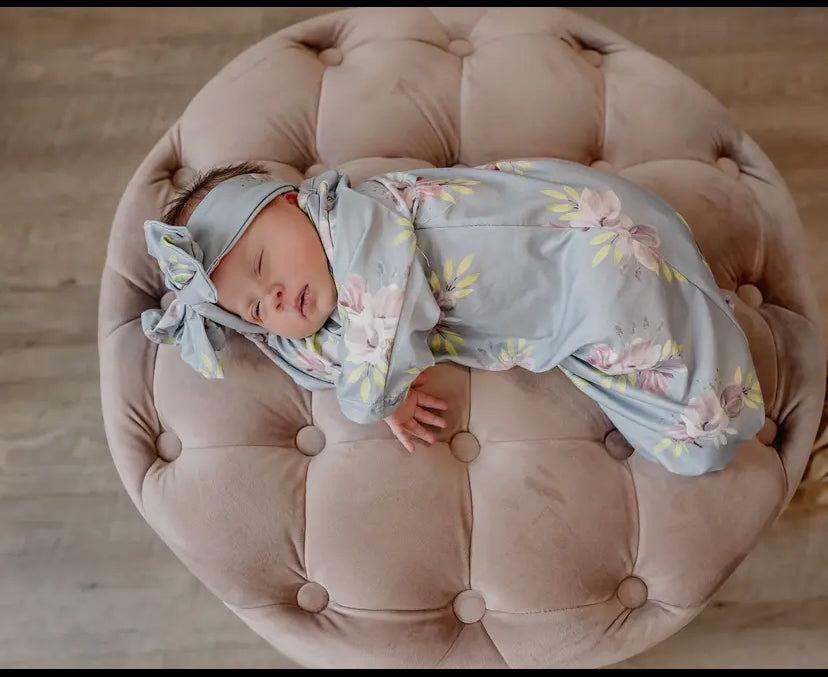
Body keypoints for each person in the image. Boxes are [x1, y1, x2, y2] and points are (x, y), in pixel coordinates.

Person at [142, 158, 765, 475]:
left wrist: (379, 400)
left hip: (582, 256)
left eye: (261, 262)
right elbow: (321, 352)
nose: (274, 296)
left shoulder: (355, 224)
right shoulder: (323, 307)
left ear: (293, 204)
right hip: (560, 287)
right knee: (672, 401)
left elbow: (380, 335)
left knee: (699, 436)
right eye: (254, 309)